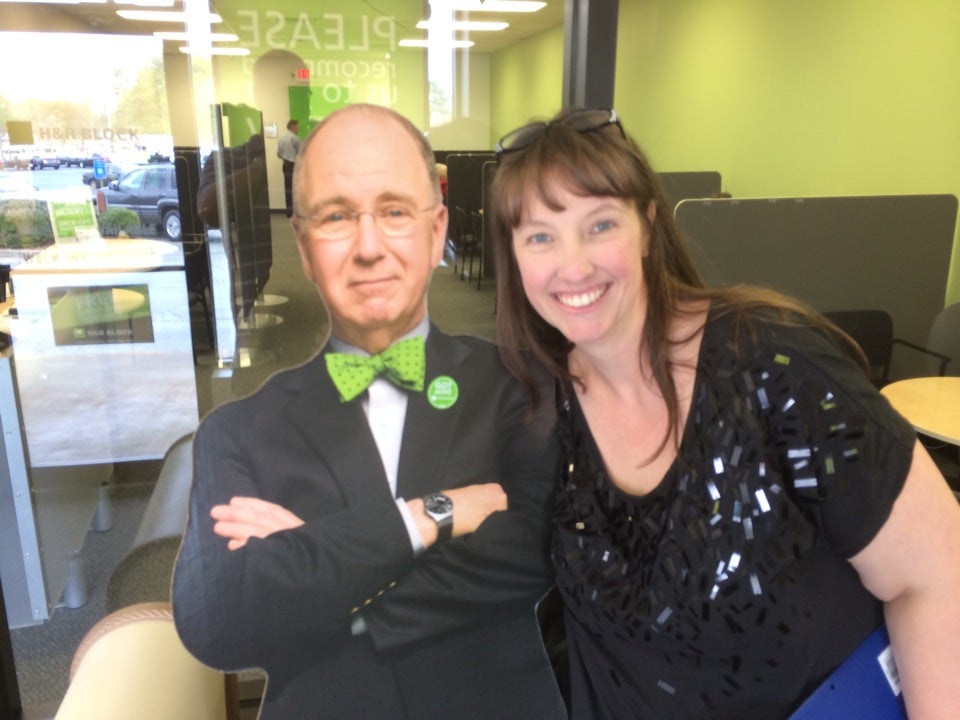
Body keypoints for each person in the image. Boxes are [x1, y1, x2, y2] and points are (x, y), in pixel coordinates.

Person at [490, 107, 960, 719]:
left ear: (648, 228)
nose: (573, 266)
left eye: (600, 225)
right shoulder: (540, 406)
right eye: (540, 237)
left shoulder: (773, 366)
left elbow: (936, 576)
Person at [172, 103, 566, 720]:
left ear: (436, 232)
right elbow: (216, 618)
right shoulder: (238, 432)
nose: (369, 247)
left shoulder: (521, 388)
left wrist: (315, 570)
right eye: (335, 217)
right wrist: (434, 515)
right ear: (303, 247)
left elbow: (539, 551)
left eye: (395, 212)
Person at [277, 118, 301, 218]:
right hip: (294, 166)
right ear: (293, 126)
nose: (298, 128)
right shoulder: (295, 139)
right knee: (296, 190)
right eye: (297, 126)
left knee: (287, 189)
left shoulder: (281, 138)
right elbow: (301, 153)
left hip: (285, 165)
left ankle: (289, 213)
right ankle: (296, 213)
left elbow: (278, 154)